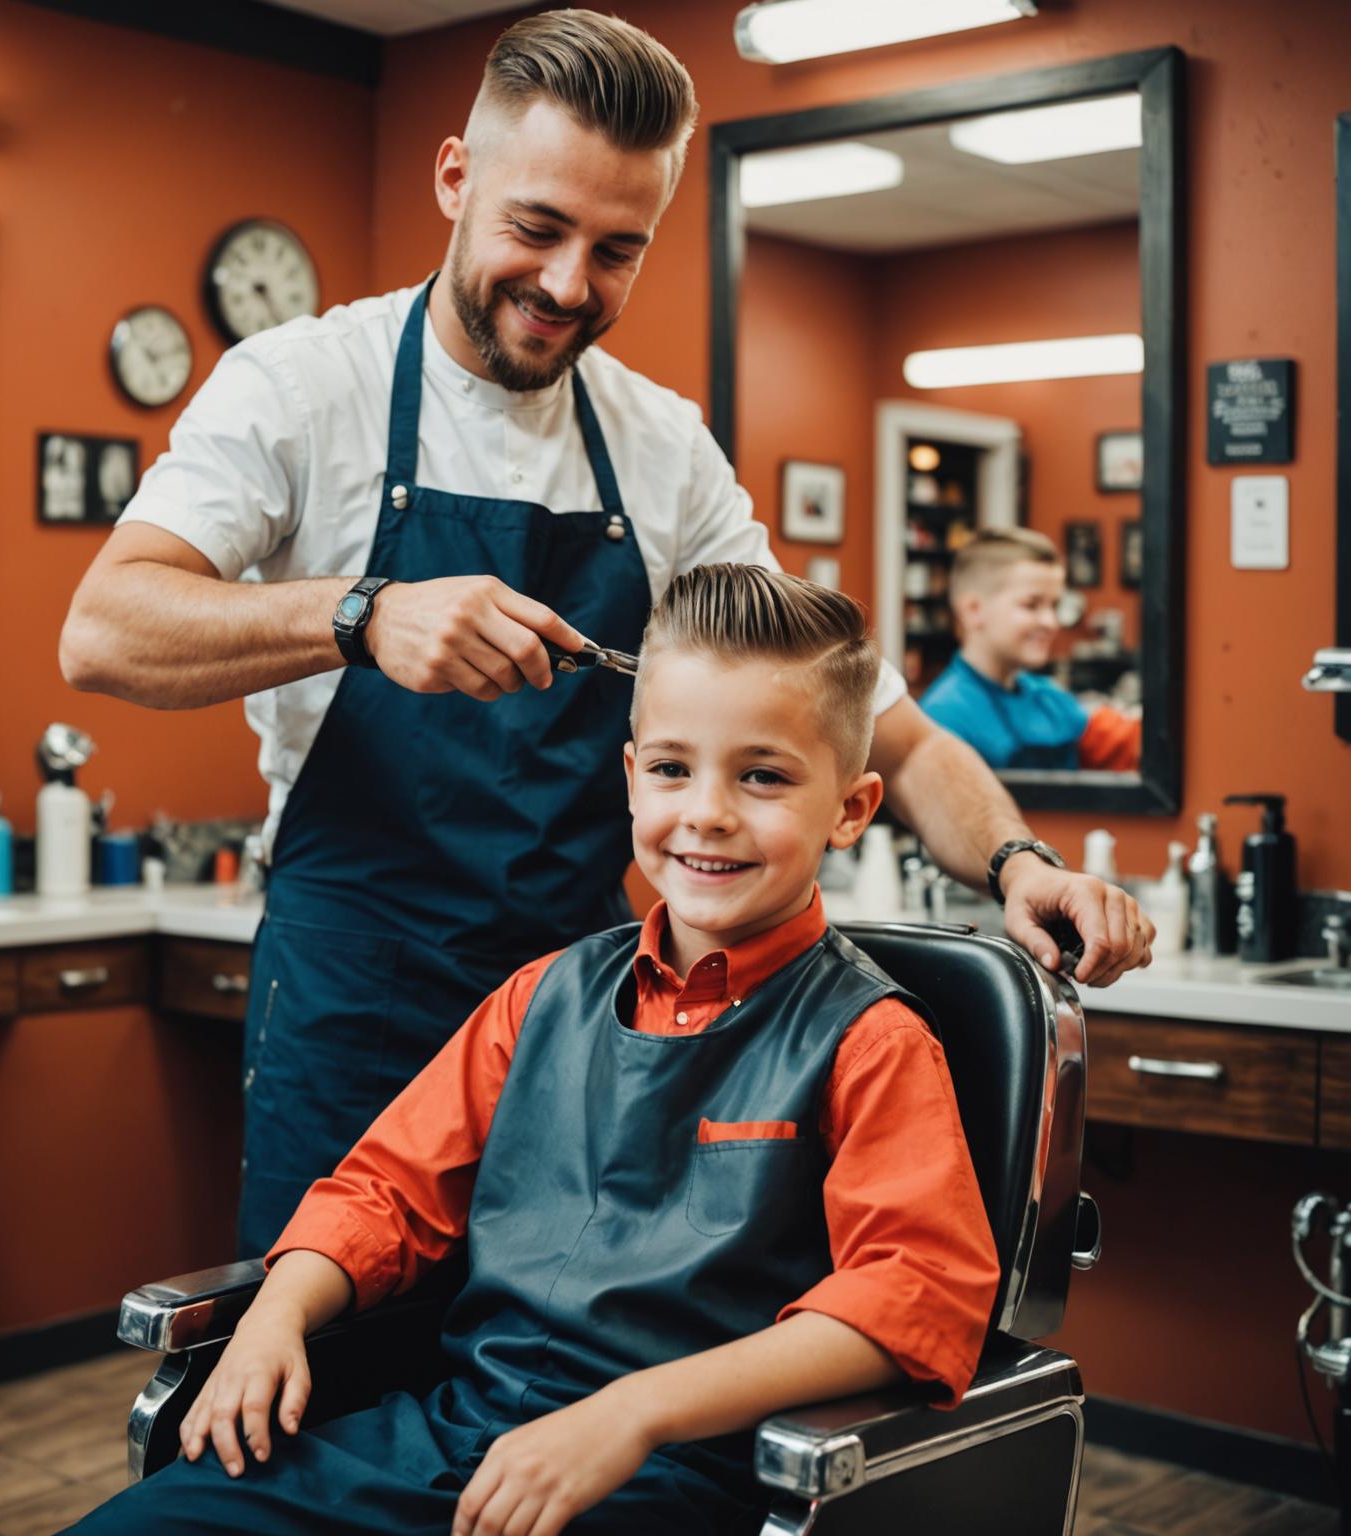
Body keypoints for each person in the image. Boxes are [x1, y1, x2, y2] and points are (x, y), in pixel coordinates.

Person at [59, 10, 1152, 1259]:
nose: (570, 284)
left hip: (583, 1012)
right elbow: (104, 627)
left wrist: (1019, 866)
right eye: (537, 228)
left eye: (617, 250)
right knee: (324, 1354)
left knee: (547, 1364)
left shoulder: (661, 444)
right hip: (357, 1000)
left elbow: (886, 730)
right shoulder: (306, 387)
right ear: (454, 178)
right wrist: (357, 613)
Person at [66, 564, 1000, 1536]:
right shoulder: (539, 999)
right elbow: (384, 1192)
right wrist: (277, 1315)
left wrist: (636, 1414)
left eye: (762, 776)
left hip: (668, 1478)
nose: (709, 812)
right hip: (450, 1440)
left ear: (851, 810)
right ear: (633, 778)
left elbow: (915, 1290)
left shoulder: (870, 1043)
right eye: (675, 769)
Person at [919, 528, 1141, 773]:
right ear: (973, 610)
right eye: (1031, 605)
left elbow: (1123, 742)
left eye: (1054, 605)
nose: (1050, 622)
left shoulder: (1048, 698)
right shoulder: (943, 718)